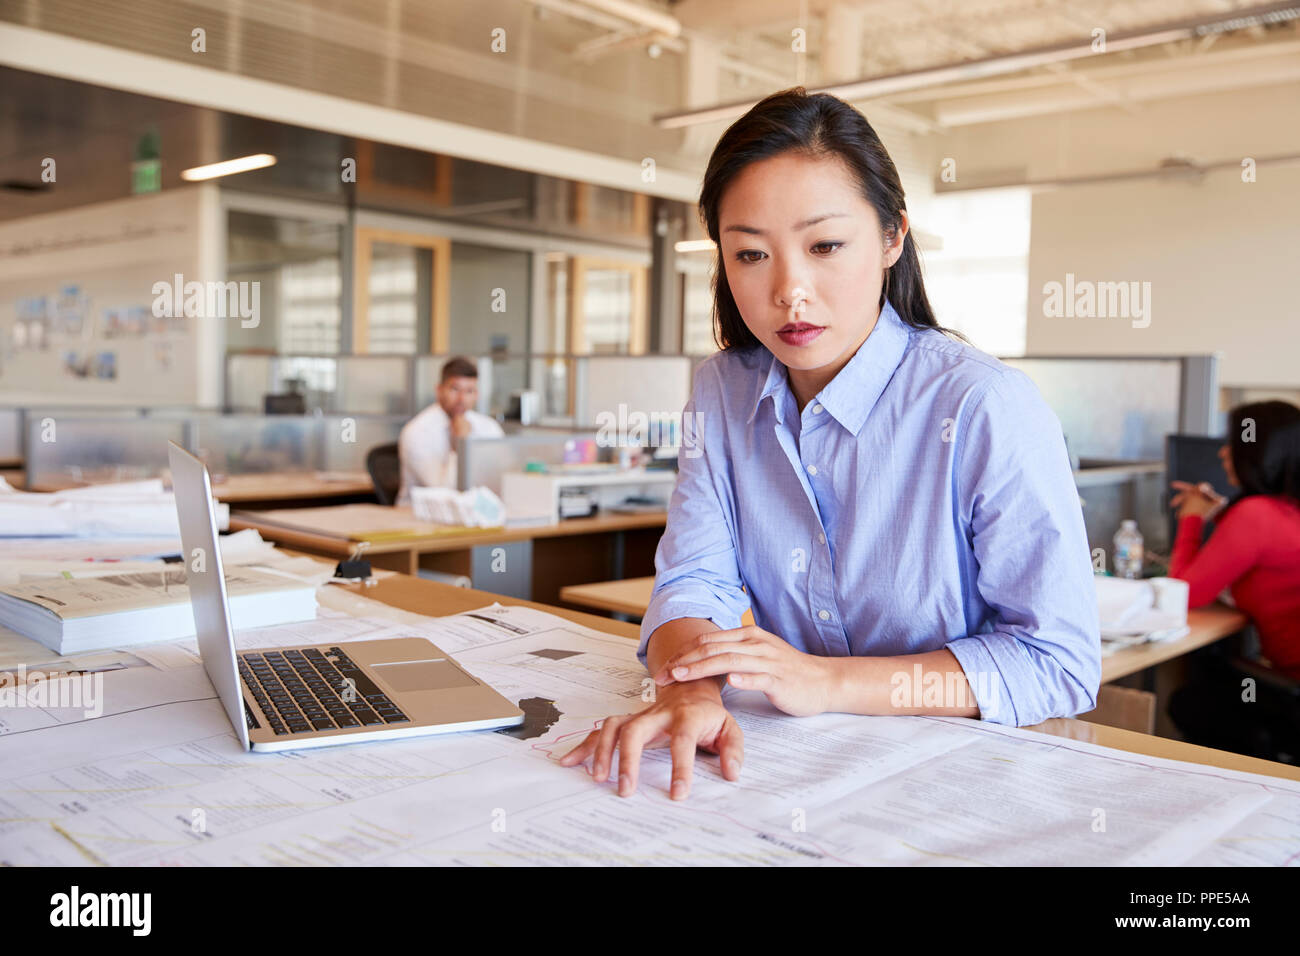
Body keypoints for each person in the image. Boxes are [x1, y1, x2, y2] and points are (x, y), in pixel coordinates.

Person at [560, 87, 1100, 800]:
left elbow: (1057, 661)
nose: (790, 290)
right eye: (751, 253)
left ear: (891, 238)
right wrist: (691, 691)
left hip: (957, 781)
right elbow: (697, 581)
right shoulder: (723, 391)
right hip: (795, 775)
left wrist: (827, 681)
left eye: (825, 246)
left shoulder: (983, 406)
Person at [1167, 401, 1300, 758]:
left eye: (1235, 443)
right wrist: (1222, 514)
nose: (1224, 452)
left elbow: (1182, 594)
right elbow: (1270, 545)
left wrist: (1192, 519)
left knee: (1190, 702)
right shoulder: (1283, 509)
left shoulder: (1256, 515)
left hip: (1294, 691)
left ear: (1260, 453)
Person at [396, 356, 503, 506]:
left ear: (477, 395)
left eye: (469, 391)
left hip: (474, 514)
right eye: (455, 389)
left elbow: (499, 479)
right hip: (420, 518)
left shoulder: (488, 427)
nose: (461, 399)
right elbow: (444, 492)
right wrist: (460, 444)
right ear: (439, 390)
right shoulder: (417, 432)